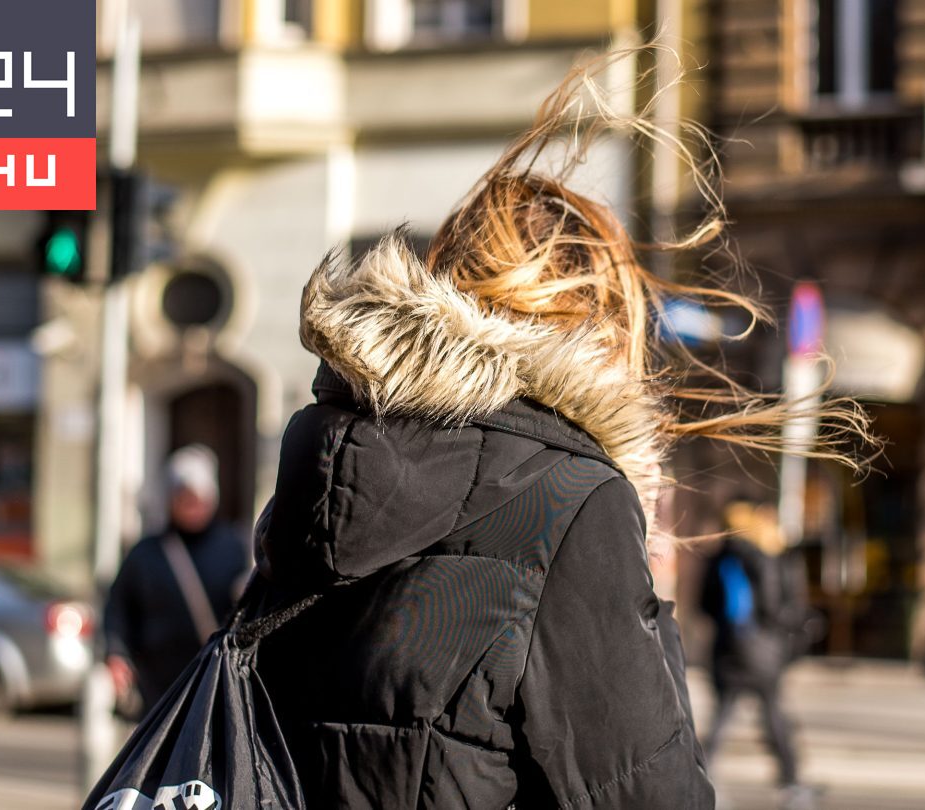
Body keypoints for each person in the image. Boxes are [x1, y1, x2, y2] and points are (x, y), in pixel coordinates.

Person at [242, 59, 870, 808]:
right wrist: (636, 553)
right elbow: (648, 792)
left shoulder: (326, 463)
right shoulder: (570, 502)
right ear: (601, 326)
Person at [104, 444, 249, 714]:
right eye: (184, 497)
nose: (192, 506)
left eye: (199, 498)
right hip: (157, 690)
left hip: (213, 684)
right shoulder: (145, 554)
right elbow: (118, 608)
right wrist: (116, 653)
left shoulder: (235, 548)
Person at [699, 500, 814, 807]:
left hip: (727, 649)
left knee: (722, 716)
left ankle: (700, 774)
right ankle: (791, 782)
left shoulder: (719, 557)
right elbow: (774, 606)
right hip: (762, 650)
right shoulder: (763, 557)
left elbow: (704, 604)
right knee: (774, 715)